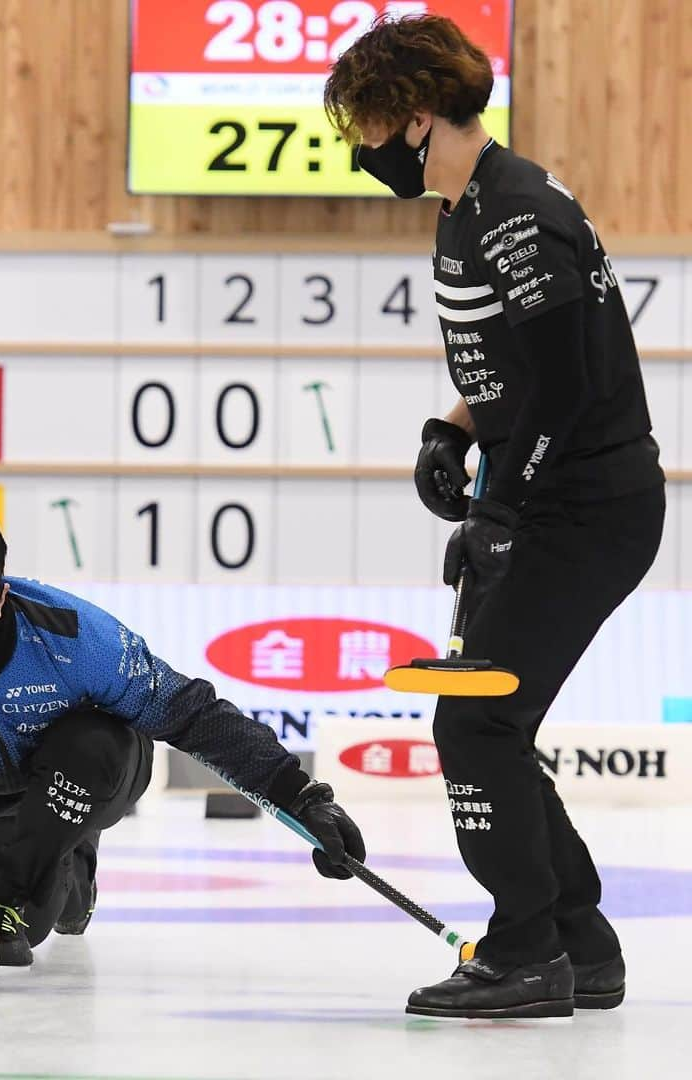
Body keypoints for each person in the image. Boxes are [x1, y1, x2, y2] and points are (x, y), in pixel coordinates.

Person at [324, 15, 665, 1019]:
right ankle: (576, 942)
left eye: (368, 128)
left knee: (476, 722)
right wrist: (452, 427)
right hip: (551, 499)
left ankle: (525, 953)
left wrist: (505, 508)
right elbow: (519, 367)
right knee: (491, 725)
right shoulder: (470, 203)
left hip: (586, 509)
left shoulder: (515, 213)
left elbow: (566, 386)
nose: (362, 151)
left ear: (414, 115)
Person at [0, 500, 365, 966]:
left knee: (17, 911)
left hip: (92, 770)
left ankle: (27, 879)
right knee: (50, 902)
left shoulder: (71, 634)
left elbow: (190, 713)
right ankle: (68, 861)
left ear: (1, 597)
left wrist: (300, 796)